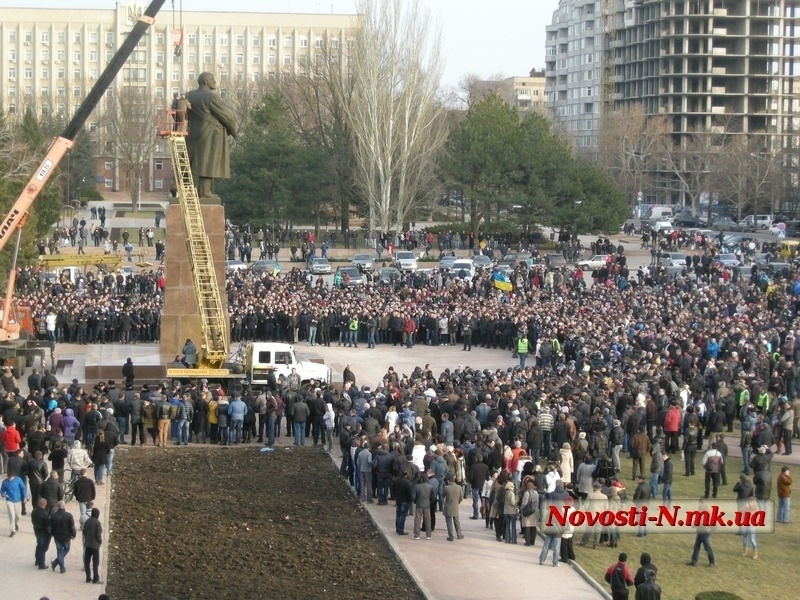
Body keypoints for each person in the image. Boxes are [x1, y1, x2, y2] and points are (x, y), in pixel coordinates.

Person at [185, 71, 238, 199]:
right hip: (210, 134)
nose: (214, 81)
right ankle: (204, 192)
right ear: (205, 82)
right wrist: (233, 131)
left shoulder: (189, 95)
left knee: (190, 162)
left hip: (192, 133)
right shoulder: (211, 97)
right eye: (212, 79)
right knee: (207, 161)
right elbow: (227, 117)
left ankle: (185, 188)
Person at [687, 498, 716, 567]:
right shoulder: (702, 509)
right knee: (697, 546)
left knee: (707, 547)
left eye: (700, 503)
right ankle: (694, 561)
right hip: (701, 530)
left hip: (704, 531)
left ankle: (712, 562)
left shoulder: (706, 511)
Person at [49, 500, 76, 573]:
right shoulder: (69, 515)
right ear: (64, 506)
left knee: (59, 551)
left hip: (57, 536)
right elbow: (72, 527)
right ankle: (57, 564)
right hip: (66, 536)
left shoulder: (53, 516)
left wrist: (52, 534)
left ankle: (61, 567)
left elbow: (51, 527)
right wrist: (74, 534)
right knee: (66, 549)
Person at [0, 470, 27, 536]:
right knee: (11, 515)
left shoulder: (18, 480)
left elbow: (23, 489)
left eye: (11, 478)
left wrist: (25, 497)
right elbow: (2, 490)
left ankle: (16, 523)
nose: (9, 479)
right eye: (8, 478)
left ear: (13, 476)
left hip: (18, 500)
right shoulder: (5, 482)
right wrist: (3, 494)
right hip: (9, 500)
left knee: (18, 516)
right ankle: (13, 530)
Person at [82, 507, 103, 584]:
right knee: (95, 563)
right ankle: (95, 579)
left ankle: (88, 577)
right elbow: (98, 535)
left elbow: (84, 531)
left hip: (87, 544)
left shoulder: (87, 521)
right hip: (95, 546)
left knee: (87, 562)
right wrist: (100, 541)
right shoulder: (97, 523)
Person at [31, 497, 52, 570]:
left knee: (39, 545)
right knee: (43, 548)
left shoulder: (34, 511)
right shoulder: (45, 514)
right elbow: (47, 525)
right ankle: (41, 564)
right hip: (43, 532)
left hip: (37, 530)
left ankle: (37, 560)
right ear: (45, 504)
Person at [442, 474, 464, 542]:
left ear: (448, 481)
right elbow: (461, 498)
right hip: (455, 506)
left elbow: (442, 495)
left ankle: (451, 536)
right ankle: (459, 534)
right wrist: (457, 502)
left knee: (449, 522)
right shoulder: (459, 487)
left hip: (448, 506)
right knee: (456, 521)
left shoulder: (446, 488)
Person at [392, 468, 413, 535]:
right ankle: (401, 530)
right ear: (407, 474)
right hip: (405, 500)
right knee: (403, 515)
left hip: (398, 499)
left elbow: (392, 490)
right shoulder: (407, 483)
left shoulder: (395, 480)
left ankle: (397, 529)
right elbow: (409, 493)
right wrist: (410, 500)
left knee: (398, 515)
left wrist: (395, 496)